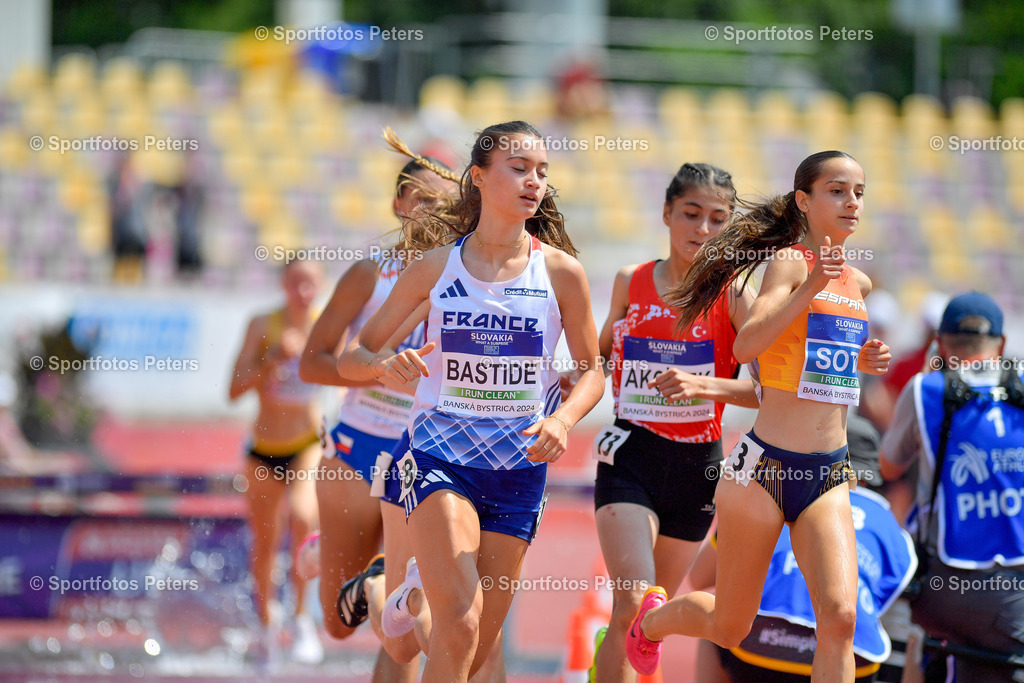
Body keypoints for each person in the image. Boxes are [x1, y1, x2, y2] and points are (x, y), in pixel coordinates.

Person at [337, 120, 605, 682]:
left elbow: (591, 372)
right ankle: (417, 591)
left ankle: (405, 595)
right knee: (461, 622)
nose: (535, 182)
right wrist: (386, 368)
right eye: (519, 168)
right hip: (438, 458)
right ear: (479, 178)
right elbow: (354, 355)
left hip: (518, 469)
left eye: (543, 172)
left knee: (475, 648)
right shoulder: (436, 268)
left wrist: (563, 417)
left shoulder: (560, 273)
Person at [623, 150, 891, 682]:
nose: (851, 202)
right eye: (837, 190)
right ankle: (651, 622)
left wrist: (865, 360)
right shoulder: (790, 263)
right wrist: (811, 287)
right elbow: (749, 343)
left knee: (839, 620)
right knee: (730, 627)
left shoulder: (859, 284)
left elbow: (814, 364)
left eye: (859, 191)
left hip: (828, 470)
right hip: (763, 468)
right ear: (804, 201)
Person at [587, 163, 758, 682]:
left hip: (697, 469)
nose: (702, 230)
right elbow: (595, 361)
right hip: (631, 454)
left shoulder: (733, 297)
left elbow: (769, 391)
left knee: (645, 623)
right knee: (633, 600)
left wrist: (705, 385)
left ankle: (613, 656)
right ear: (667, 212)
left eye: (716, 219)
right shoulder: (630, 281)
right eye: (690, 214)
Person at [297, 147, 459, 681]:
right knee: (338, 626)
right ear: (399, 203)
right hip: (355, 452)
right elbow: (314, 363)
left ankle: (379, 580)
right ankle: (359, 570)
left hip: (420, 460)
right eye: (423, 199)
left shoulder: (469, 282)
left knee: (403, 639)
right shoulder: (371, 274)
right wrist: (376, 370)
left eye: (448, 203)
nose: (434, 211)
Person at [691, 414, 917, 683]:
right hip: (852, 659)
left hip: (753, 649)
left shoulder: (767, 494)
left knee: (718, 617)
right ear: (865, 476)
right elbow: (899, 611)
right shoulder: (886, 521)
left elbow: (699, 578)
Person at [879, 292, 1024, 682]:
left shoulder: (925, 389)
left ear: (940, 343)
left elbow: (889, 465)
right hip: (1016, 586)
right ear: (1003, 344)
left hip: (941, 586)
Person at [228, 257, 325, 665]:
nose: (303, 293)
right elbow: (233, 390)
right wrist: (270, 360)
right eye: (296, 284)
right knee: (265, 541)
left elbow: (352, 371)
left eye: (311, 285)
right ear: (284, 285)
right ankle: (266, 623)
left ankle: (302, 616)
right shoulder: (261, 324)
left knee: (304, 517)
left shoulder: (326, 323)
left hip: (306, 442)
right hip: (264, 447)